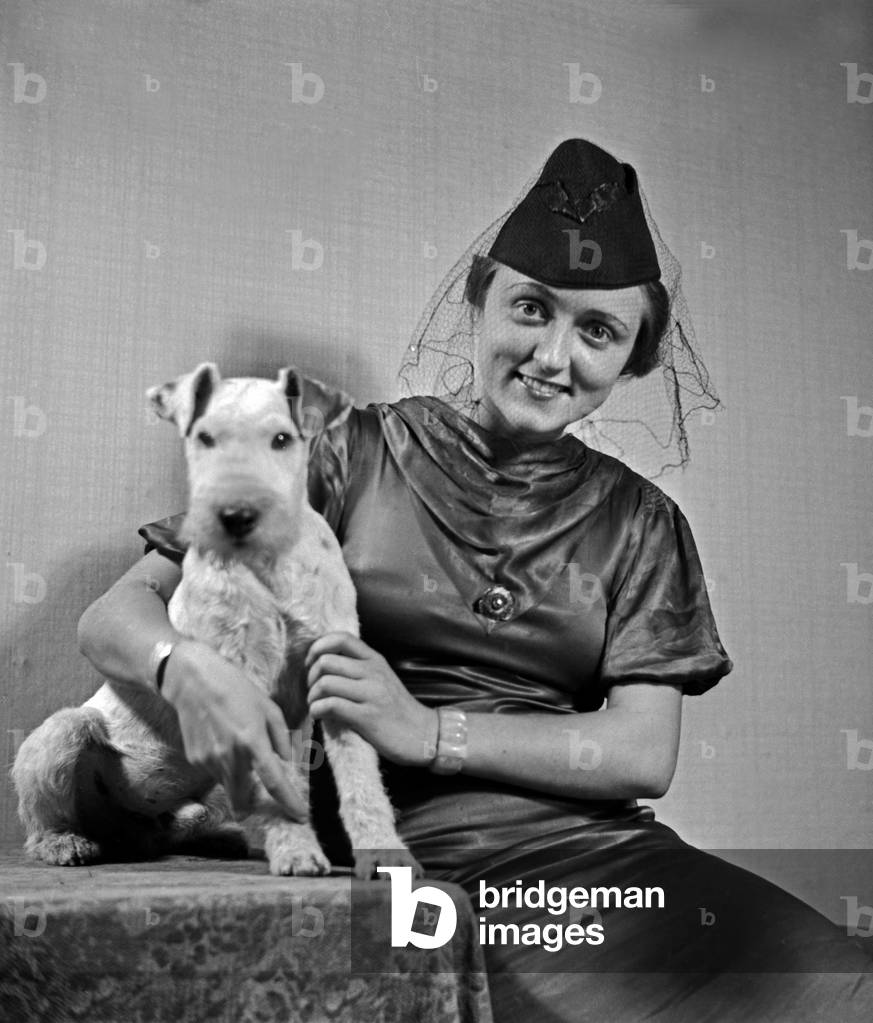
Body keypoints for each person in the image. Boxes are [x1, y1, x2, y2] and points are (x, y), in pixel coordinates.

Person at [78, 138, 873, 1020]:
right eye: (531, 308)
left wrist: (426, 728)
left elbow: (641, 754)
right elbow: (116, 614)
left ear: (634, 357)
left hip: (609, 866)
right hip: (409, 867)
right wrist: (187, 671)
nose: (552, 355)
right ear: (478, 298)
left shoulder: (642, 521)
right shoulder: (350, 453)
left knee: (838, 985)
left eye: (597, 331)